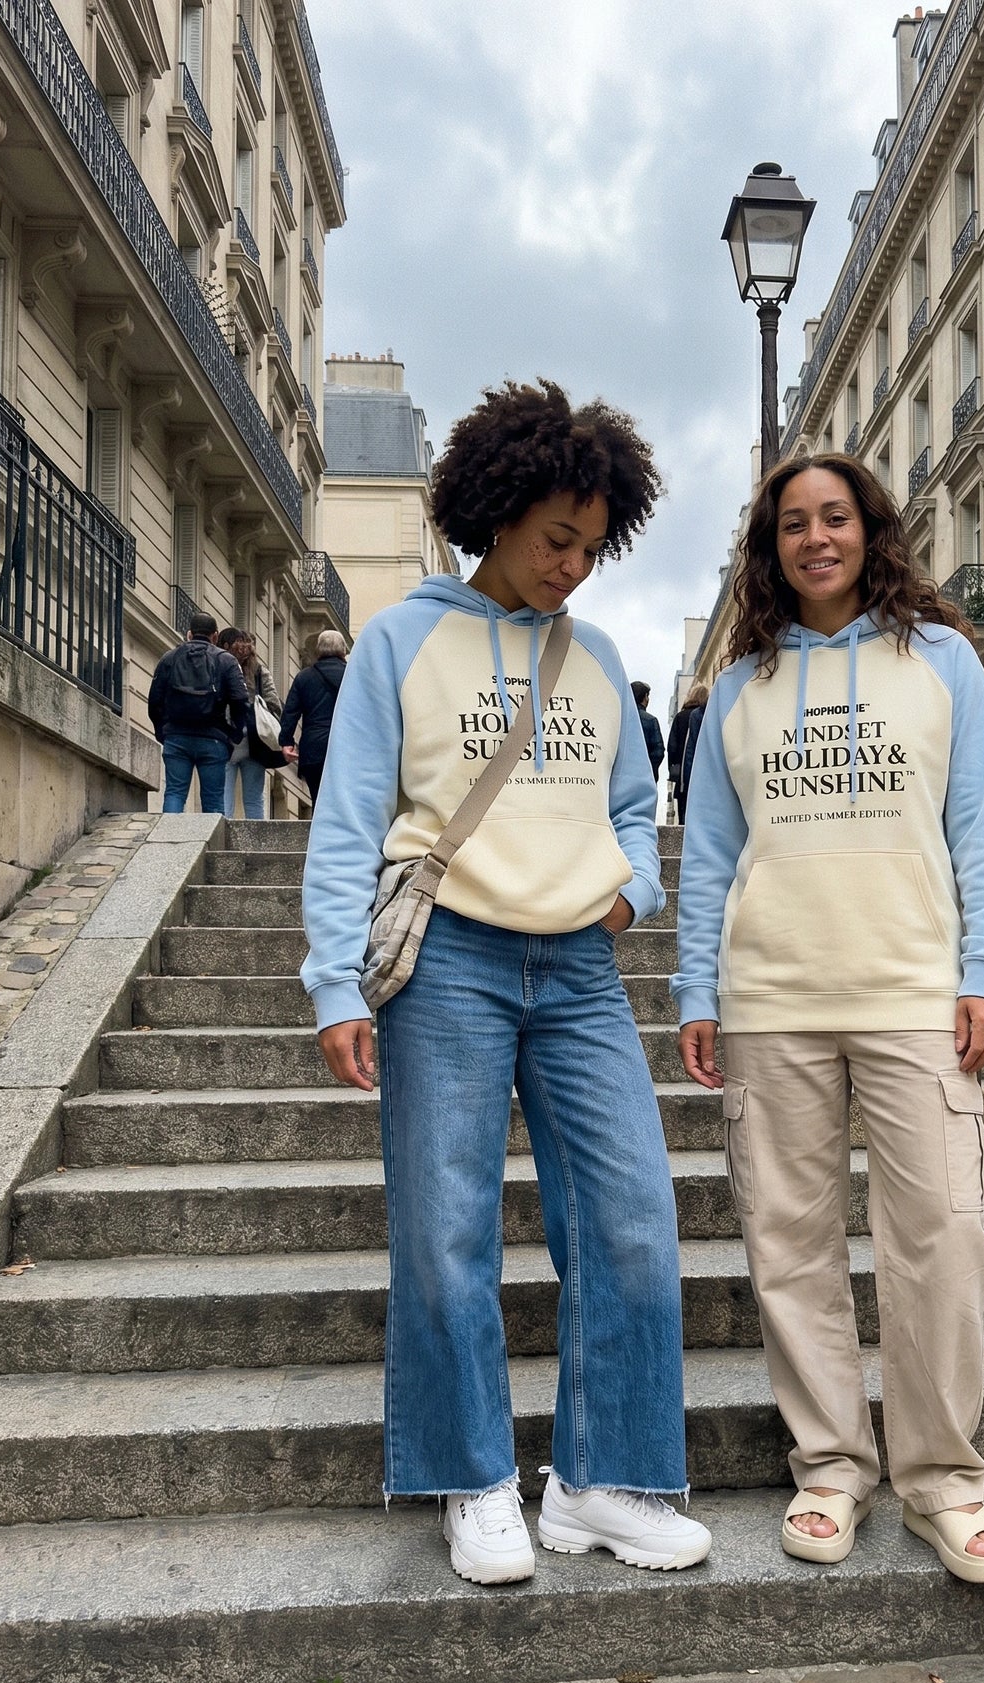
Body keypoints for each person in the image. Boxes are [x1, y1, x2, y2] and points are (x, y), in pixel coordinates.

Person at [300, 379, 710, 1587]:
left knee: (632, 1219)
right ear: (500, 512)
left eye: (590, 548)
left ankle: (599, 1482)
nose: (571, 567)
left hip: (578, 966)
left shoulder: (595, 659)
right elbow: (348, 818)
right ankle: (472, 1478)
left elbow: (633, 810)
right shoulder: (401, 640)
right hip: (447, 961)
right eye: (554, 540)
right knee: (445, 1229)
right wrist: (333, 982)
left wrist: (631, 894)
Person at [672, 453, 984, 1583]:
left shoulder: (942, 662)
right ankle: (830, 1467)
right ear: (769, 548)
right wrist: (695, 989)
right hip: (770, 997)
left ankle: (943, 1482)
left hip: (914, 993)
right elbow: (709, 856)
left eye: (834, 518)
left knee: (943, 1238)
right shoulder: (738, 688)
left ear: (869, 531)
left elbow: (980, 825)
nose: (815, 538)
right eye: (792, 524)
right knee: (788, 1245)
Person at [148, 612, 250, 814]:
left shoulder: (169, 658)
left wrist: (162, 731)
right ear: (215, 636)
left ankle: (169, 834)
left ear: (189, 634)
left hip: (176, 736)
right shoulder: (227, 661)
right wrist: (235, 733)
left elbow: (155, 700)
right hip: (214, 738)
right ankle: (213, 836)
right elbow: (240, 699)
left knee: (175, 793)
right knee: (213, 800)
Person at [218, 628, 284, 820]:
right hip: (255, 741)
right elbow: (274, 704)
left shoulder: (220, 667)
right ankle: (257, 837)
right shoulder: (260, 672)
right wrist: (259, 709)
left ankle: (223, 835)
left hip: (226, 738)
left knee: (224, 799)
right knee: (254, 800)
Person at [280, 631, 348, 803]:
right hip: (346, 747)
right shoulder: (353, 676)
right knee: (344, 801)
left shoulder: (304, 677)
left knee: (318, 801)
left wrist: (286, 742)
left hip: (313, 749)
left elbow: (290, 712)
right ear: (343, 650)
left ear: (318, 649)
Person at [666, 681, 708, 822]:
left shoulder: (680, 717)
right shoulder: (706, 716)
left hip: (683, 774)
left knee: (683, 813)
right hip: (702, 771)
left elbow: (672, 746)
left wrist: (673, 768)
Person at [631, 680, 665, 782]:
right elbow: (659, 751)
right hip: (646, 777)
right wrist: (650, 769)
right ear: (645, 697)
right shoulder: (651, 720)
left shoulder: (620, 719)